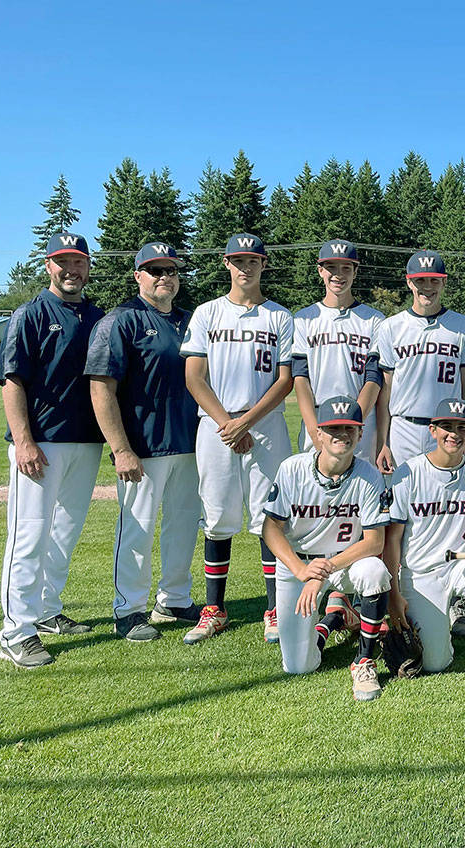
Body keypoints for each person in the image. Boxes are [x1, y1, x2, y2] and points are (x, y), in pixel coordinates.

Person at [0, 231, 105, 668]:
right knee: (29, 534)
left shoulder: (97, 317)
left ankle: (46, 610)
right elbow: (12, 381)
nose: (71, 269)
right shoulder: (30, 314)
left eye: (78, 261)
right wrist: (23, 441)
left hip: (85, 441)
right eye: (62, 261)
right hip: (40, 444)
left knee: (64, 532)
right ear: (48, 266)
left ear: (88, 267)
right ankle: (15, 631)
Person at [181, 233, 294, 645]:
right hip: (216, 426)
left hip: (264, 426)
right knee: (217, 517)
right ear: (226, 263)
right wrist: (228, 423)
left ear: (264, 264)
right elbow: (194, 376)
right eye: (238, 260)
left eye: (254, 260)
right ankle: (214, 609)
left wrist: (245, 421)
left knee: (269, 518)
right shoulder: (207, 312)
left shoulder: (281, 317)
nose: (246, 267)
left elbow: (285, 381)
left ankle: (274, 609)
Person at [86, 242, 202, 642]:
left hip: (189, 442)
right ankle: (129, 609)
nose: (164, 277)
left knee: (183, 526)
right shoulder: (121, 321)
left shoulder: (191, 320)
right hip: (142, 446)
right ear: (137, 275)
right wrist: (121, 449)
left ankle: (173, 598)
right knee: (136, 529)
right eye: (154, 270)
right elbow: (101, 388)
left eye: (170, 270)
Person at [383, 398, 465, 710]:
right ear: (433, 430)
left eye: (463, 427)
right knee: (434, 663)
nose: (454, 433)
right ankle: (437, 623)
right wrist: (393, 596)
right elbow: (391, 541)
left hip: (464, 563)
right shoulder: (409, 473)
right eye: (447, 426)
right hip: (421, 572)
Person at [261, 396, 391, 702]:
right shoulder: (292, 469)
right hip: (299, 565)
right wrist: (302, 570)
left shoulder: (369, 476)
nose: (341, 435)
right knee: (299, 666)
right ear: (318, 433)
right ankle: (334, 619)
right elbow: (271, 529)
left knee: (375, 572)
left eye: (349, 428)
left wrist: (323, 571)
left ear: (360, 434)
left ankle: (364, 661)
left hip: (344, 564)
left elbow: (375, 542)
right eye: (333, 429)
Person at [374, 249, 465, 637]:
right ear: (409, 281)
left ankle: (458, 599)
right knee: (401, 516)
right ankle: (395, 591)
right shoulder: (391, 327)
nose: (427, 286)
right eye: (420, 280)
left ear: (443, 282)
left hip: (449, 428)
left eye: (434, 279)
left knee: (453, 510)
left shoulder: (462, 325)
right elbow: (384, 391)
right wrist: (382, 441)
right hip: (403, 427)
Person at [291, 239, 385, 461]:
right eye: (331, 267)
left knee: (360, 492)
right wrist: (316, 433)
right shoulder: (304, 318)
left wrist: (353, 424)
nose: (338, 274)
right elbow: (300, 378)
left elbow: (374, 378)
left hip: (360, 423)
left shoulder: (374, 320)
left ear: (355, 271)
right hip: (318, 419)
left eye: (345, 267)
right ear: (320, 270)